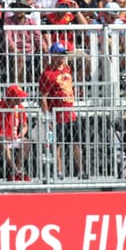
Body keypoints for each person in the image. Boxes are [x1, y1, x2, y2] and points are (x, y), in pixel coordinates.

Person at [38, 42, 81, 179]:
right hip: (58, 115)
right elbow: (43, 98)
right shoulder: (48, 74)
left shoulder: (67, 68)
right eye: (60, 55)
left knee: (76, 143)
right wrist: (47, 116)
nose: (62, 57)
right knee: (58, 145)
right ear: (53, 56)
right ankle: (59, 172)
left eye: (63, 55)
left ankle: (81, 170)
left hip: (70, 113)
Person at [0, 83, 31, 181]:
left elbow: (25, 126)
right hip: (0, 139)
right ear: (12, 97)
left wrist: (21, 134)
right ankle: (15, 171)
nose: (21, 100)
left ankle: (16, 170)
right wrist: (0, 135)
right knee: (3, 142)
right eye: (18, 97)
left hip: (14, 138)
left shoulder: (20, 107)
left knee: (27, 142)